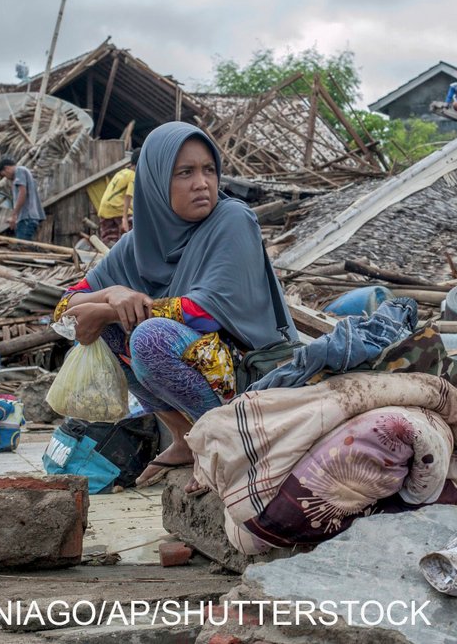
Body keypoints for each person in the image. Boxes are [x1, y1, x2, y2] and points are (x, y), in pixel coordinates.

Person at [53, 122, 297, 489]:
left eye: (209, 170)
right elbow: (64, 313)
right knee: (106, 332)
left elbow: (204, 313)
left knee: (149, 337)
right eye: (185, 173)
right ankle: (185, 438)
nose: (202, 183)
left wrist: (106, 309)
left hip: (254, 370)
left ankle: (224, 442)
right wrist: (110, 294)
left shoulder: (232, 219)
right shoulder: (137, 244)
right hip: (204, 367)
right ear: (155, 182)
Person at [97, 147, 138, 245]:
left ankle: (110, 255)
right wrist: (124, 218)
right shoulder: (132, 175)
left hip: (104, 209)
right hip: (117, 208)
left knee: (109, 238)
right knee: (134, 232)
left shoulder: (121, 172)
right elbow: (128, 196)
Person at [0, 157, 45, 241]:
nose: (7, 178)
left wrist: (14, 215)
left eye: (4, 175)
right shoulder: (23, 172)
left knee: (22, 247)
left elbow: (22, 193)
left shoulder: (19, 171)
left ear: (6, 168)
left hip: (27, 218)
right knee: (25, 248)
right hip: (27, 218)